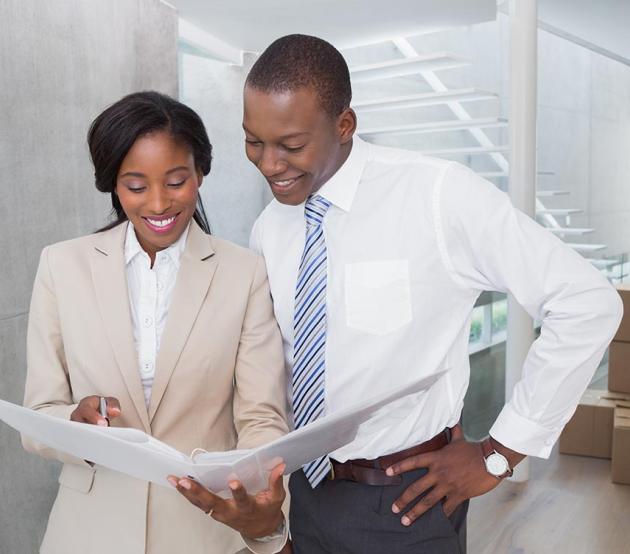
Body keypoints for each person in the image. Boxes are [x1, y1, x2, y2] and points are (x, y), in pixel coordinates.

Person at [239, 34, 622, 553]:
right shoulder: (269, 227)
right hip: (305, 496)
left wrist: (500, 451)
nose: (268, 163)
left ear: (344, 125)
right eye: (253, 141)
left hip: (405, 501)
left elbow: (586, 302)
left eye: (290, 145)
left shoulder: (437, 195)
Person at [22, 91, 290, 554]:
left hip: (205, 531)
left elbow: (261, 415)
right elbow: (39, 415)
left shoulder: (244, 273)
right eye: (136, 186)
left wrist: (259, 488)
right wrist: (74, 421)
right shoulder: (61, 266)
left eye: (176, 180)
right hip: (87, 533)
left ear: (200, 174)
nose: (159, 203)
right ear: (114, 186)